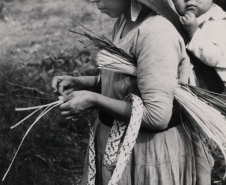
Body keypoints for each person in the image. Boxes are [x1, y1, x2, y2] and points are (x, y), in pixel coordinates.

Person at [52, 0, 196, 184]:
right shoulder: (124, 21)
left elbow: (157, 117)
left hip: (144, 154)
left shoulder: (157, 34)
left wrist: (95, 100)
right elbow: (121, 82)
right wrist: (81, 83)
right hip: (117, 146)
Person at [172, 0, 226, 86]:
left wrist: (194, 32)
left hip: (215, 91)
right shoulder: (173, 17)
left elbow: (214, 58)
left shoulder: (219, 21)